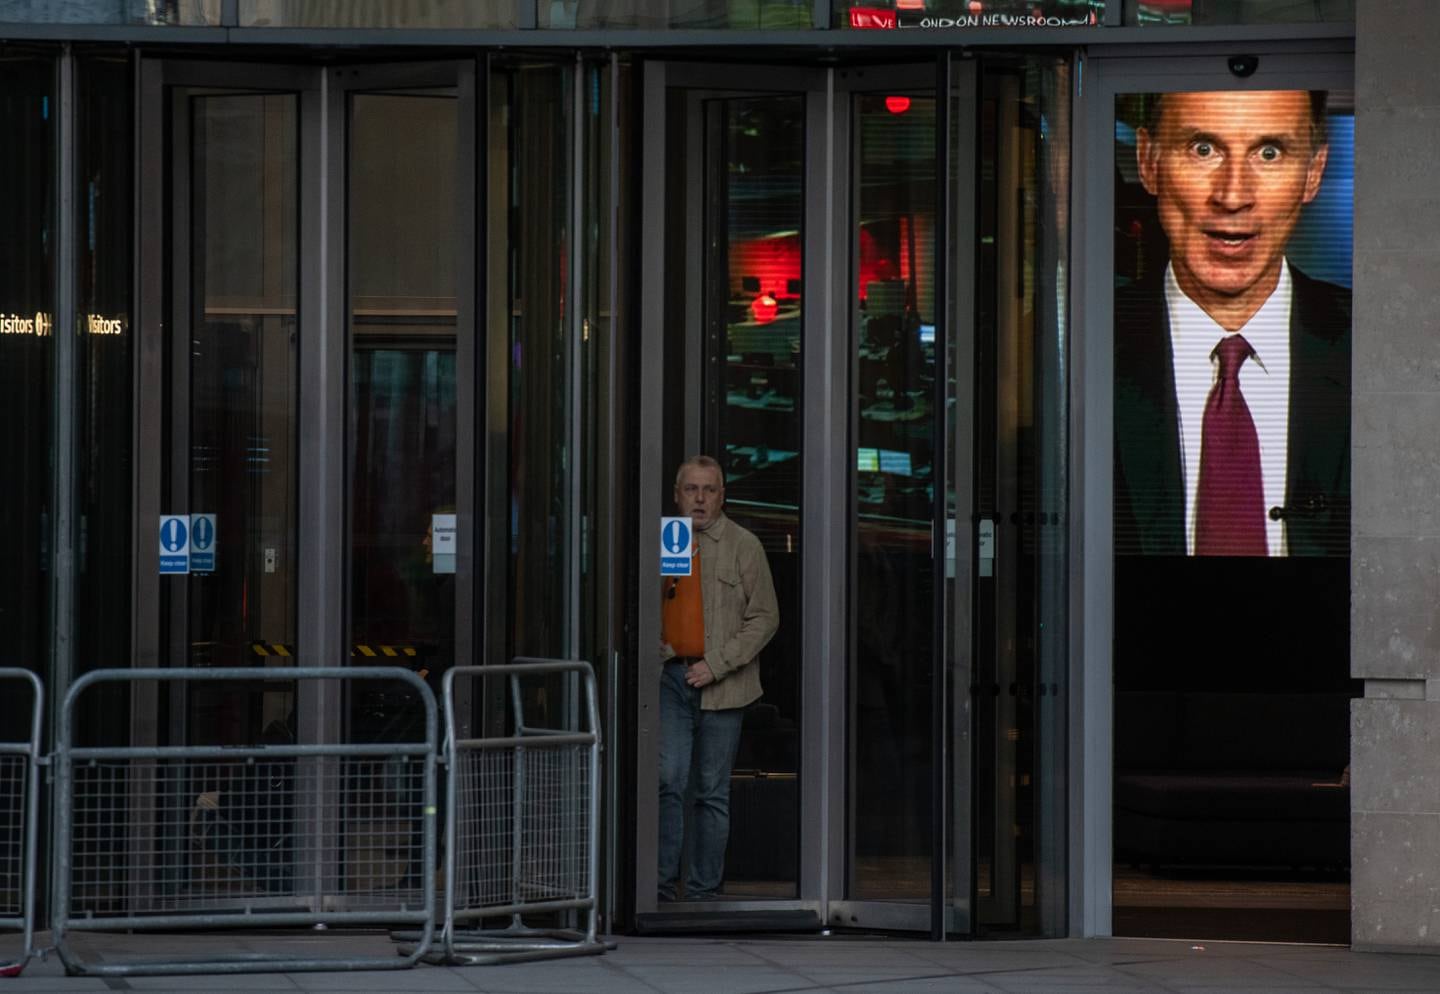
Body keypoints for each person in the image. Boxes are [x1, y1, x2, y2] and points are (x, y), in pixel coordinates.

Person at [1114, 89, 1350, 557]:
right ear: (1148, 161)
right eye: (1203, 149)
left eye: (1269, 152)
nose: (1233, 195)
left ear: (1314, 172)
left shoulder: (1382, 347)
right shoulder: (1075, 344)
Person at [658, 455, 778, 901]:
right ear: (677, 495)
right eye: (692, 489)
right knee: (667, 780)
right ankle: (660, 887)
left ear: (723, 496)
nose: (701, 499)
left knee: (711, 791)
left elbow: (765, 618)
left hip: (724, 685)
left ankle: (704, 891)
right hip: (670, 678)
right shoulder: (666, 540)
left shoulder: (744, 545)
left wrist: (717, 662)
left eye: (709, 490)